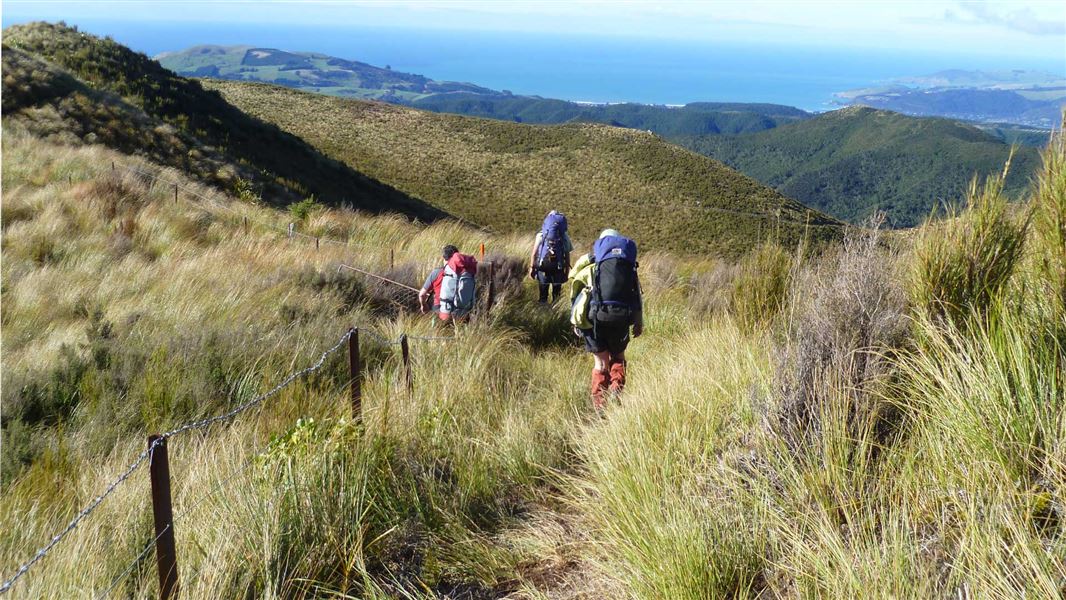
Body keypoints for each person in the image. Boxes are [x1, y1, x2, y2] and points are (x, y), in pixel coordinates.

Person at [569, 229, 643, 410]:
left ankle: (599, 407)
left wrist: (576, 320)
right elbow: (637, 297)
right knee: (618, 357)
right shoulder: (628, 269)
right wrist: (639, 322)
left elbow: (574, 288)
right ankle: (616, 393)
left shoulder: (590, 266)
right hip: (621, 319)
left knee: (600, 363)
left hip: (593, 321)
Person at [419, 245, 478, 321]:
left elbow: (422, 294)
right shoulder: (466, 272)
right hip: (463, 312)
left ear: (443, 257)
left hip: (442, 311)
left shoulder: (436, 273)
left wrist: (423, 305)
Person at [529, 210, 573, 304]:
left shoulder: (541, 235)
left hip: (543, 267)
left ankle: (542, 315)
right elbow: (567, 257)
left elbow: (534, 253)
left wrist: (532, 268)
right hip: (558, 268)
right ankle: (556, 315)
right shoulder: (565, 237)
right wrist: (566, 274)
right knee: (556, 297)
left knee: (543, 296)